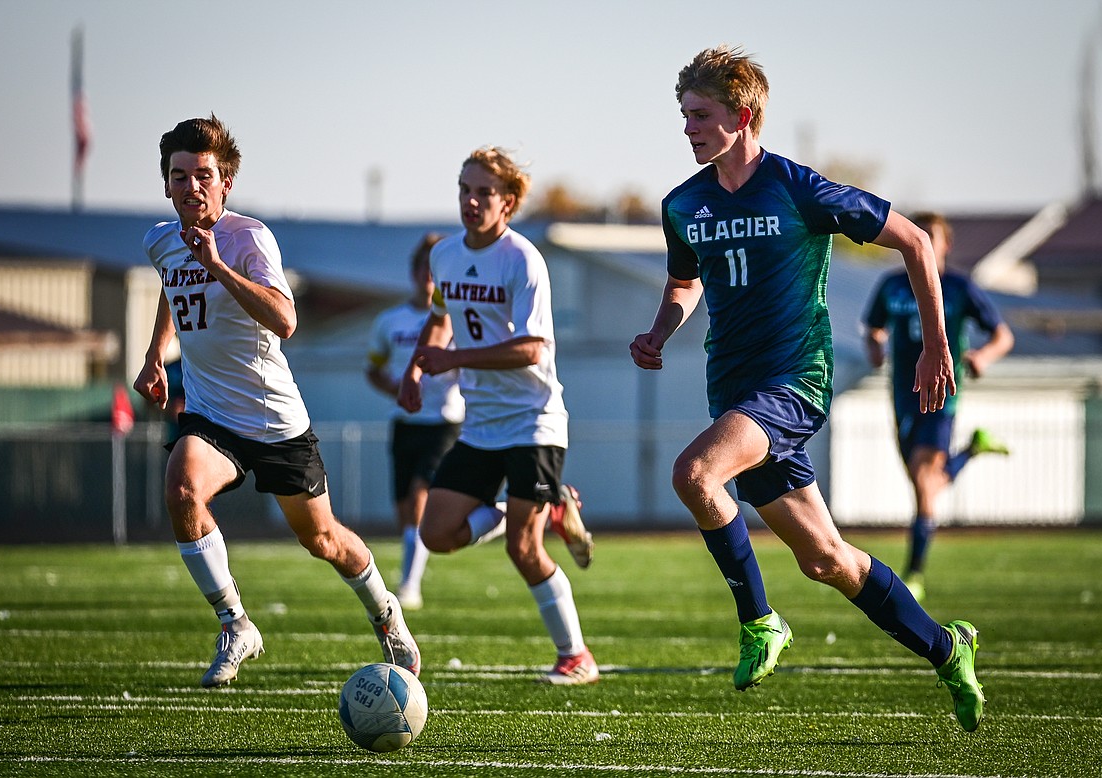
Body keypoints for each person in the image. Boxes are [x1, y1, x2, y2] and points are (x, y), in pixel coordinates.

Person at [629, 47, 985, 731]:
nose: (687, 130)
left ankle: (760, 621)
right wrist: (660, 329)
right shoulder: (683, 204)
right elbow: (684, 279)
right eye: (683, 116)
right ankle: (948, 648)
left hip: (794, 381)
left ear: (744, 115)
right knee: (826, 560)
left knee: (695, 474)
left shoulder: (797, 188)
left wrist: (938, 344)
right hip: (732, 393)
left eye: (699, 115)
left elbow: (913, 240)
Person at [133, 115, 419, 688]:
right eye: (180, 175)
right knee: (181, 490)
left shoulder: (248, 238)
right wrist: (154, 356)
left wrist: (215, 264)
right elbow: (173, 288)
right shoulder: (160, 240)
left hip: (273, 420)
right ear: (166, 184)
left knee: (323, 540)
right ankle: (235, 622)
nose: (192, 186)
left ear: (226, 181)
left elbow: (286, 319)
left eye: (204, 175)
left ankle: (386, 611)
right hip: (211, 415)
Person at [397, 146, 597, 684]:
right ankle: (547, 505)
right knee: (435, 532)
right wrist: (417, 371)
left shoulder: (523, 259)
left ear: (507, 202)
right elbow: (440, 319)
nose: (470, 200)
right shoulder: (444, 255)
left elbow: (533, 349)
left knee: (523, 550)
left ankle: (577, 657)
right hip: (483, 423)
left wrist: (453, 359)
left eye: (483, 191)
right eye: (464, 188)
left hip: (535, 420)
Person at [863, 212, 1015, 601]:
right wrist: (876, 346)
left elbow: (1002, 335)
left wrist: (982, 356)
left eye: (933, 237)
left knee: (923, 480)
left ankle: (914, 573)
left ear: (946, 244)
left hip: (941, 395)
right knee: (925, 479)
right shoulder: (893, 285)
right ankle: (972, 450)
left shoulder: (960, 286)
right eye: (920, 236)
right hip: (902, 394)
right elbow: (874, 326)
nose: (926, 243)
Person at [365, 233, 465, 610]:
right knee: (405, 508)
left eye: (433, 268)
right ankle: (411, 573)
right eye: (423, 267)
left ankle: (410, 584)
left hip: (443, 421)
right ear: (413, 272)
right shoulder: (390, 321)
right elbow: (373, 369)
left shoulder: (454, 317)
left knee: (422, 497)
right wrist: (396, 387)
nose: (428, 275)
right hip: (405, 421)